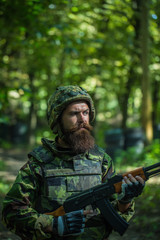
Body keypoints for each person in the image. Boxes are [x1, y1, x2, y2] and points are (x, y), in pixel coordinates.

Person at [2, 85, 145, 240]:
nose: (82, 119)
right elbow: (11, 212)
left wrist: (125, 201)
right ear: (57, 119)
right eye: (74, 114)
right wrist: (53, 224)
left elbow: (114, 215)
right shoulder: (39, 164)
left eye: (85, 113)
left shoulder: (101, 160)